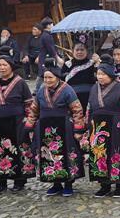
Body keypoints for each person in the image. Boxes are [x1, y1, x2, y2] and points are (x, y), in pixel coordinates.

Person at [24, 60, 86, 197]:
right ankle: (55, 184)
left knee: (67, 155)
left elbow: (77, 110)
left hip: (64, 128)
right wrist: (29, 125)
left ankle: (68, 184)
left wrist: (78, 130)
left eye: (50, 77)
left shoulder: (67, 90)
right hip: (45, 129)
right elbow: (34, 109)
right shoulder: (41, 91)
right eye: (45, 78)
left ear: (57, 77)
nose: (47, 80)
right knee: (48, 156)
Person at [0, 52, 34, 193]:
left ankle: (19, 181)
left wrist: (29, 121)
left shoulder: (20, 83)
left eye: (5, 65)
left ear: (11, 66)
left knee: (18, 150)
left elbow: (29, 103)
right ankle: (0, 183)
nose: (2, 68)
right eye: (0, 65)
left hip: (16, 123)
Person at [85, 56, 120, 198]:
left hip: (116, 126)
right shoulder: (94, 88)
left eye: (103, 74)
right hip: (97, 127)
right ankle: (104, 185)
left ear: (110, 75)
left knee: (117, 153)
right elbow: (89, 107)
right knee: (99, 154)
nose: (100, 77)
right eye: (98, 74)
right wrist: (87, 125)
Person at [63, 41, 97, 113]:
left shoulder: (92, 63)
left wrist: (98, 63)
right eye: (77, 50)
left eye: (82, 50)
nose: (79, 52)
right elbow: (62, 81)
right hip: (72, 97)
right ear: (73, 51)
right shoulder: (67, 64)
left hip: (89, 97)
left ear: (86, 51)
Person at [36, 18, 60, 87]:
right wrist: (57, 58)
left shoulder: (45, 35)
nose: (53, 25)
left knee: (43, 74)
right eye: (52, 24)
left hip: (44, 58)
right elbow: (51, 49)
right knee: (43, 75)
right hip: (46, 59)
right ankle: (37, 90)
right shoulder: (47, 36)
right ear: (48, 25)